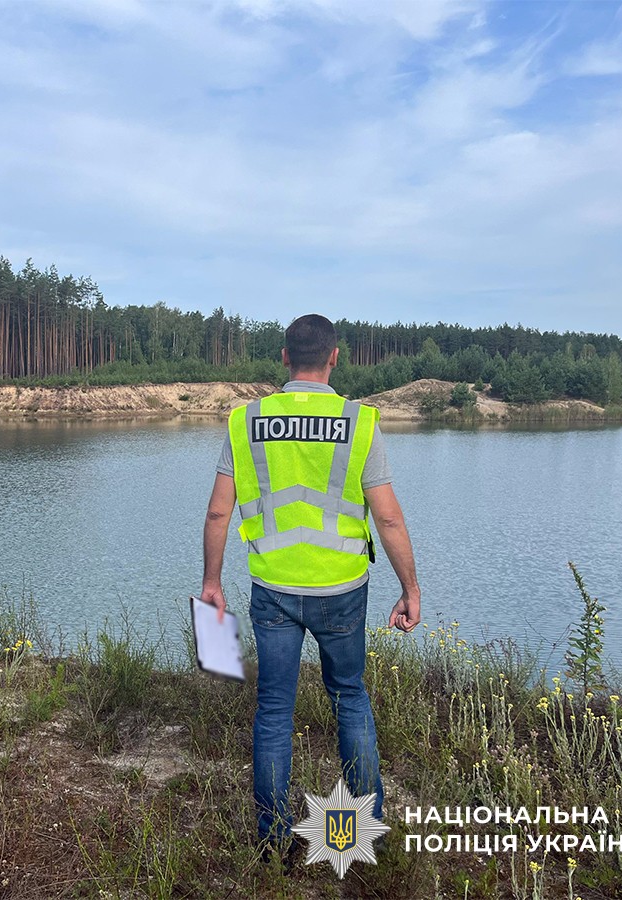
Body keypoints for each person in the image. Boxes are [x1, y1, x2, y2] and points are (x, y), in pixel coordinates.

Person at [199, 313, 420, 861]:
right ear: (335, 357)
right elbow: (388, 520)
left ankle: (273, 842)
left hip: (272, 586)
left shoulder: (246, 421)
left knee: (274, 710)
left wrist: (211, 582)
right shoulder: (358, 421)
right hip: (342, 588)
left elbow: (217, 513)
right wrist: (410, 589)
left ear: (283, 358)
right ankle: (354, 838)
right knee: (350, 699)